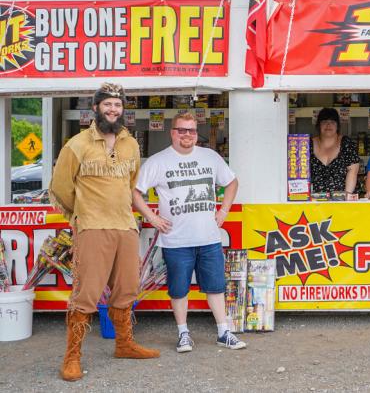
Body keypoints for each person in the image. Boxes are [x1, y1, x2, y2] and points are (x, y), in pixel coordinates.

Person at [50, 83, 160, 382]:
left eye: (118, 105)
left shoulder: (131, 144)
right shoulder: (77, 144)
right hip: (93, 226)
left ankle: (124, 344)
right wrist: (80, 213)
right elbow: (60, 186)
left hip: (125, 225)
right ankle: (72, 356)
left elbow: (132, 182)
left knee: (127, 287)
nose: (113, 110)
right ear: (96, 108)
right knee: (86, 294)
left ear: (123, 110)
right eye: (107, 104)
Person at [132, 112, 245, 352]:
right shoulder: (158, 161)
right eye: (182, 130)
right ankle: (183, 333)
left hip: (209, 237)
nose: (187, 135)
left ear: (196, 134)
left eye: (191, 131)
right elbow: (135, 191)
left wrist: (224, 210)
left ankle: (224, 332)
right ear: (173, 132)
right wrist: (151, 217)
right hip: (176, 239)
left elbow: (232, 182)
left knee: (215, 286)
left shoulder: (210, 157)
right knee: (179, 289)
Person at [310, 107, 360, 194]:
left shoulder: (346, 143)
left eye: (332, 122)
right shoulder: (307, 144)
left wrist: (346, 197)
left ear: (338, 126)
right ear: (318, 125)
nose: (328, 125)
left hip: (342, 200)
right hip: (313, 201)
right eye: (324, 122)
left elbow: (353, 171)